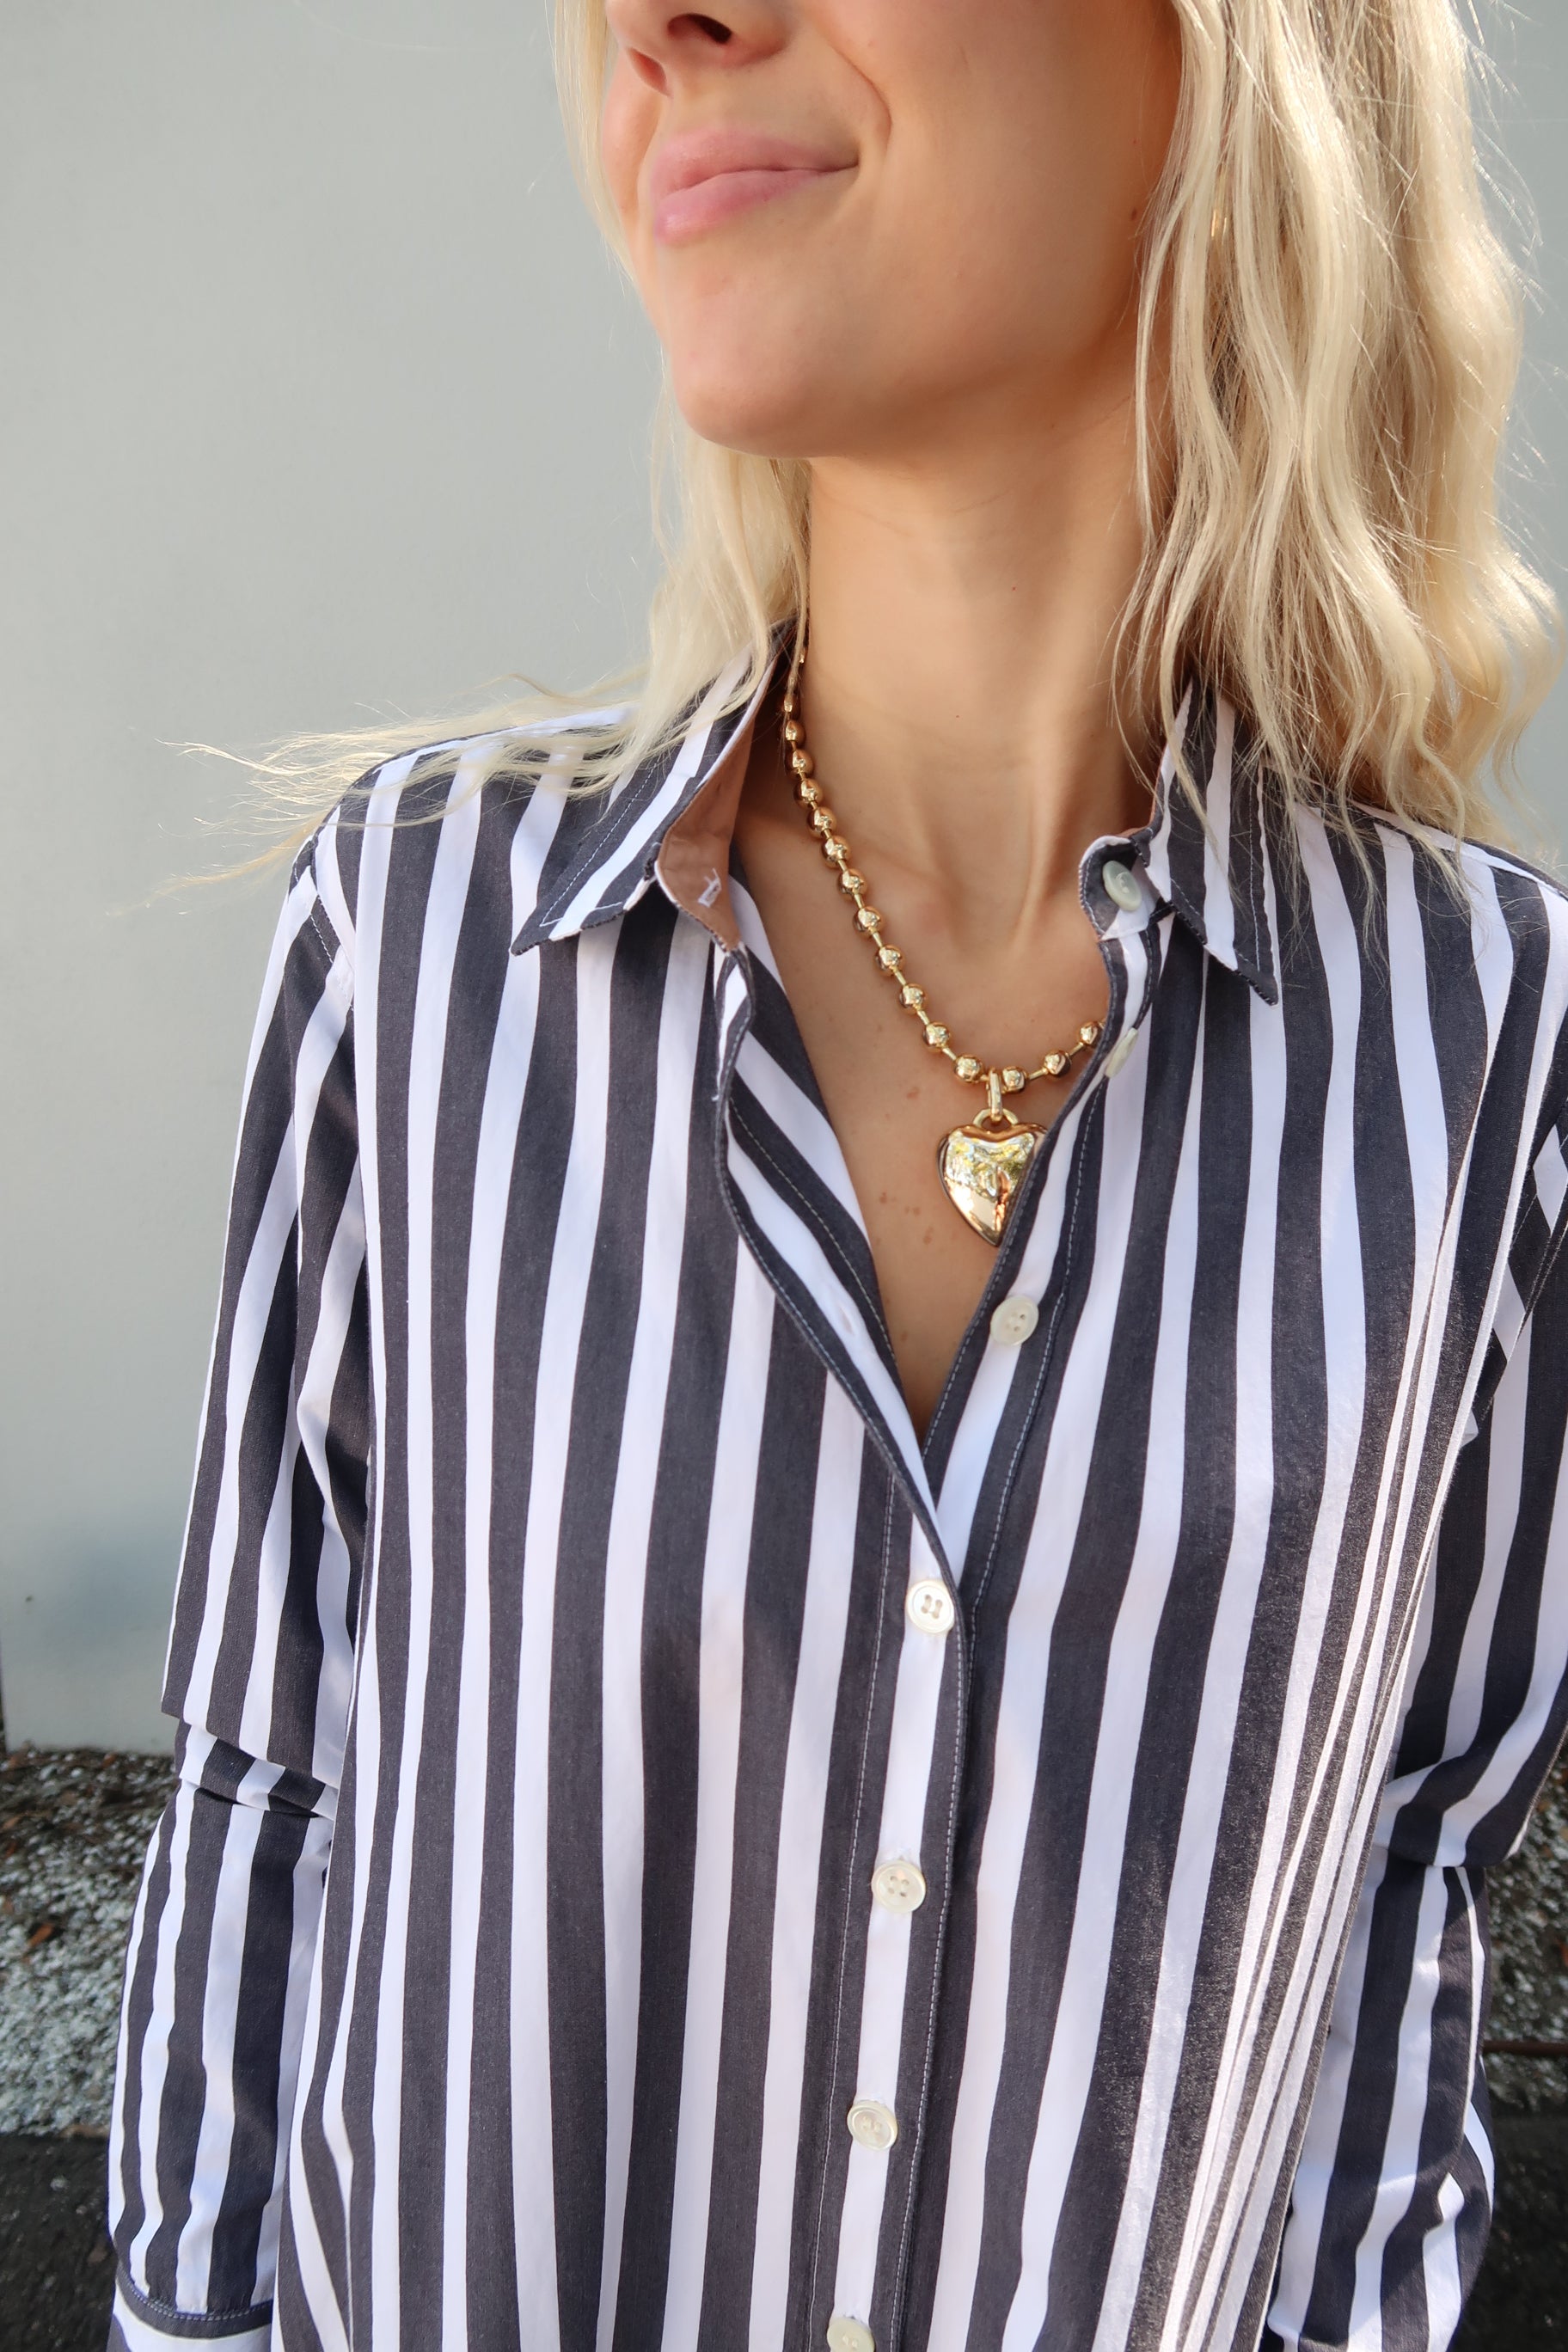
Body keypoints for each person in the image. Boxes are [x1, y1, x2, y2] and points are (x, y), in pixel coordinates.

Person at [107, 3, 1568, 2349]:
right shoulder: (417, 950)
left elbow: (1403, 1913)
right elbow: (267, 1798)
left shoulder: (1486, 1052)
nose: (665, 27)